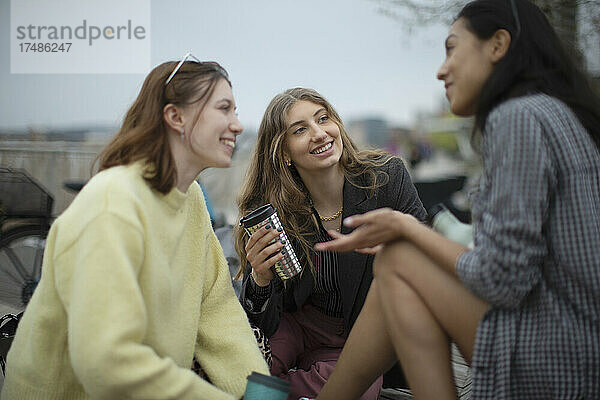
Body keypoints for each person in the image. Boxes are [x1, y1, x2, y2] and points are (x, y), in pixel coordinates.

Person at [315, 0, 600, 399]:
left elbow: (501, 279)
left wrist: (406, 228)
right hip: (577, 342)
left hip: (556, 358)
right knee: (400, 261)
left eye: (451, 48)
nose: (440, 69)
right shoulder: (557, 115)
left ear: (498, 45)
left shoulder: (516, 118)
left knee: (397, 258)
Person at [1, 55, 269, 400]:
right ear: (175, 117)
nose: (236, 124)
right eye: (224, 109)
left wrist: (258, 389)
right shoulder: (113, 201)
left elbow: (216, 310)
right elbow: (108, 361)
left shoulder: (192, 203)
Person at [233, 87, 427, 400]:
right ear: (283, 152)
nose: (320, 134)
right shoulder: (272, 209)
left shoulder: (387, 179)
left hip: (361, 331)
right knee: (245, 367)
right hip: (298, 325)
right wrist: (260, 278)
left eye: (323, 119)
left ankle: (268, 394)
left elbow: (425, 250)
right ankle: (267, 389)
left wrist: (395, 252)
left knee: (357, 388)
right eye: (300, 130)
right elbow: (261, 321)